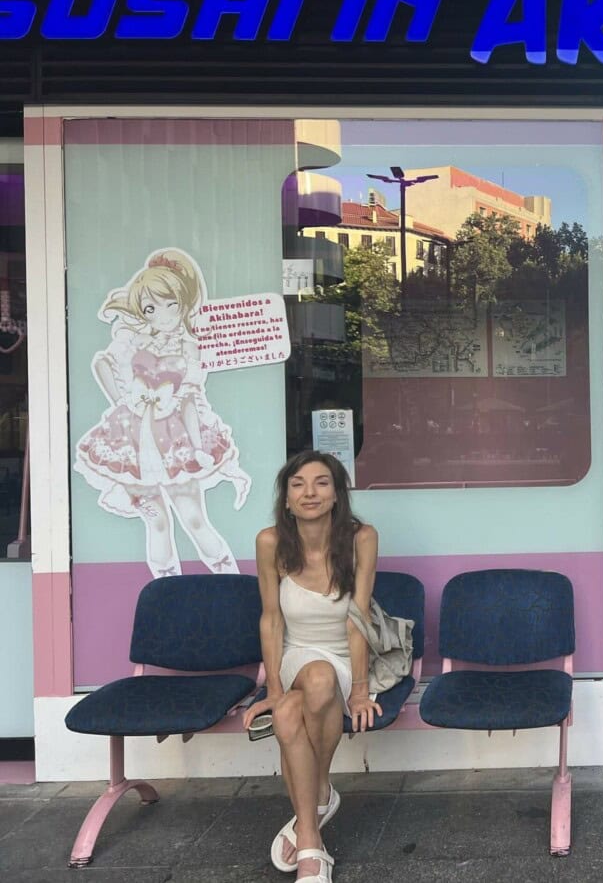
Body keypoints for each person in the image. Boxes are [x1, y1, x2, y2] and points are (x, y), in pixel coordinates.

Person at [243, 451, 381, 883]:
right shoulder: (270, 543)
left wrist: (359, 688)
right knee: (308, 683)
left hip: (346, 654)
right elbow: (271, 618)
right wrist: (272, 688)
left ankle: (309, 824)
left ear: (337, 494)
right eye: (298, 484)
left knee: (291, 712)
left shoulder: (361, 538)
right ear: (286, 498)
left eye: (322, 483)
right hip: (297, 654)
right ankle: (313, 825)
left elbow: (358, 619)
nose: (309, 492)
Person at [74, 249, 250, 577]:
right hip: (133, 439)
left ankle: (232, 584)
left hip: (175, 438)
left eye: (171, 304)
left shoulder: (188, 347)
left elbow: (190, 397)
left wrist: (197, 445)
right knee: (155, 521)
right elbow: (102, 363)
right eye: (151, 308)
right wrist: (123, 403)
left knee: (195, 518)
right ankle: (164, 592)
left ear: (183, 304)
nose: (163, 315)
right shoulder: (134, 341)